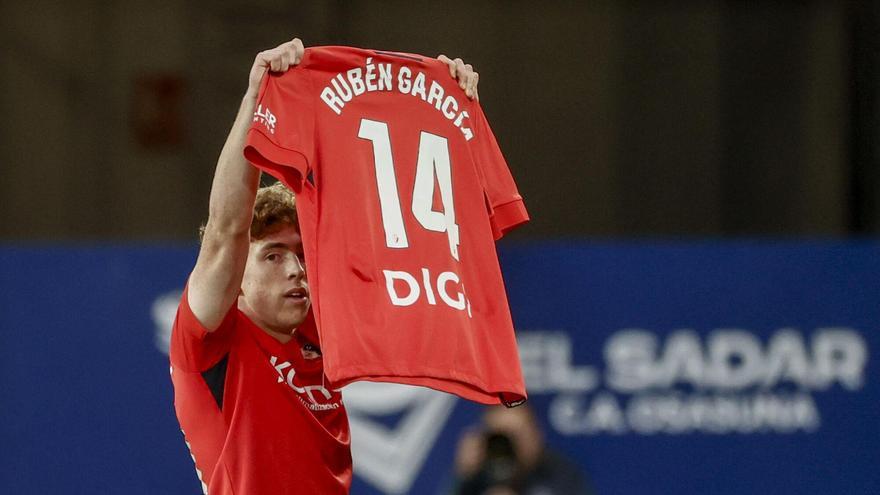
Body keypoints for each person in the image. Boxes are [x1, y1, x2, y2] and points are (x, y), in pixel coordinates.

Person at [168, 37, 481, 494]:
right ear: (236, 278)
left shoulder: (323, 326)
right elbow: (226, 229)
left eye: (300, 255)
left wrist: (440, 106)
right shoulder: (213, 342)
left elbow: (396, 220)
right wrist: (257, 101)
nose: (295, 269)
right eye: (273, 255)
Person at [451, 404, 593, 495]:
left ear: (535, 434)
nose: (509, 446)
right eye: (500, 437)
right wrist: (461, 477)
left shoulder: (561, 474)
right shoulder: (474, 478)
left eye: (515, 435)